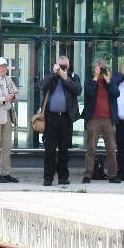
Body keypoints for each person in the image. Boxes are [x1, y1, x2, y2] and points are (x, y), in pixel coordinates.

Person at [35, 56, 80, 187]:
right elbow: (42, 86)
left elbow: (77, 90)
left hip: (66, 118)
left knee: (64, 150)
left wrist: (66, 78)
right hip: (50, 118)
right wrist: (54, 74)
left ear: (69, 65)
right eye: (61, 66)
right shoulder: (51, 76)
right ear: (56, 65)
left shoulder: (73, 77)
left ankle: (63, 177)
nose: (63, 68)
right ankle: (48, 178)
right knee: (49, 150)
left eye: (65, 66)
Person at [81, 59, 120, 184]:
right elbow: (90, 92)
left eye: (103, 67)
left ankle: (113, 175)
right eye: (99, 67)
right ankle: (88, 174)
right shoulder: (90, 81)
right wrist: (96, 77)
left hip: (108, 120)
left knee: (111, 148)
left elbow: (116, 93)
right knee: (91, 148)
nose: (101, 70)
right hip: (93, 120)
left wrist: (108, 81)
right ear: (95, 69)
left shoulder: (110, 81)